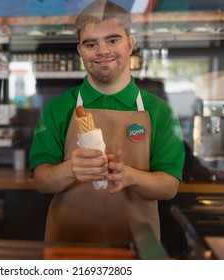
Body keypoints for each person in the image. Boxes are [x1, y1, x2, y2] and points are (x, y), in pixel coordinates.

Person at [29, 0, 185, 246]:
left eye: (113, 40)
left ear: (130, 44)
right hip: (69, 245)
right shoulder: (57, 109)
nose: (102, 51)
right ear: (80, 50)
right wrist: (70, 169)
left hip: (138, 248)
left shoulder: (160, 111)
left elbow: (169, 187)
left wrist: (130, 176)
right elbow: (42, 180)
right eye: (91, 44)